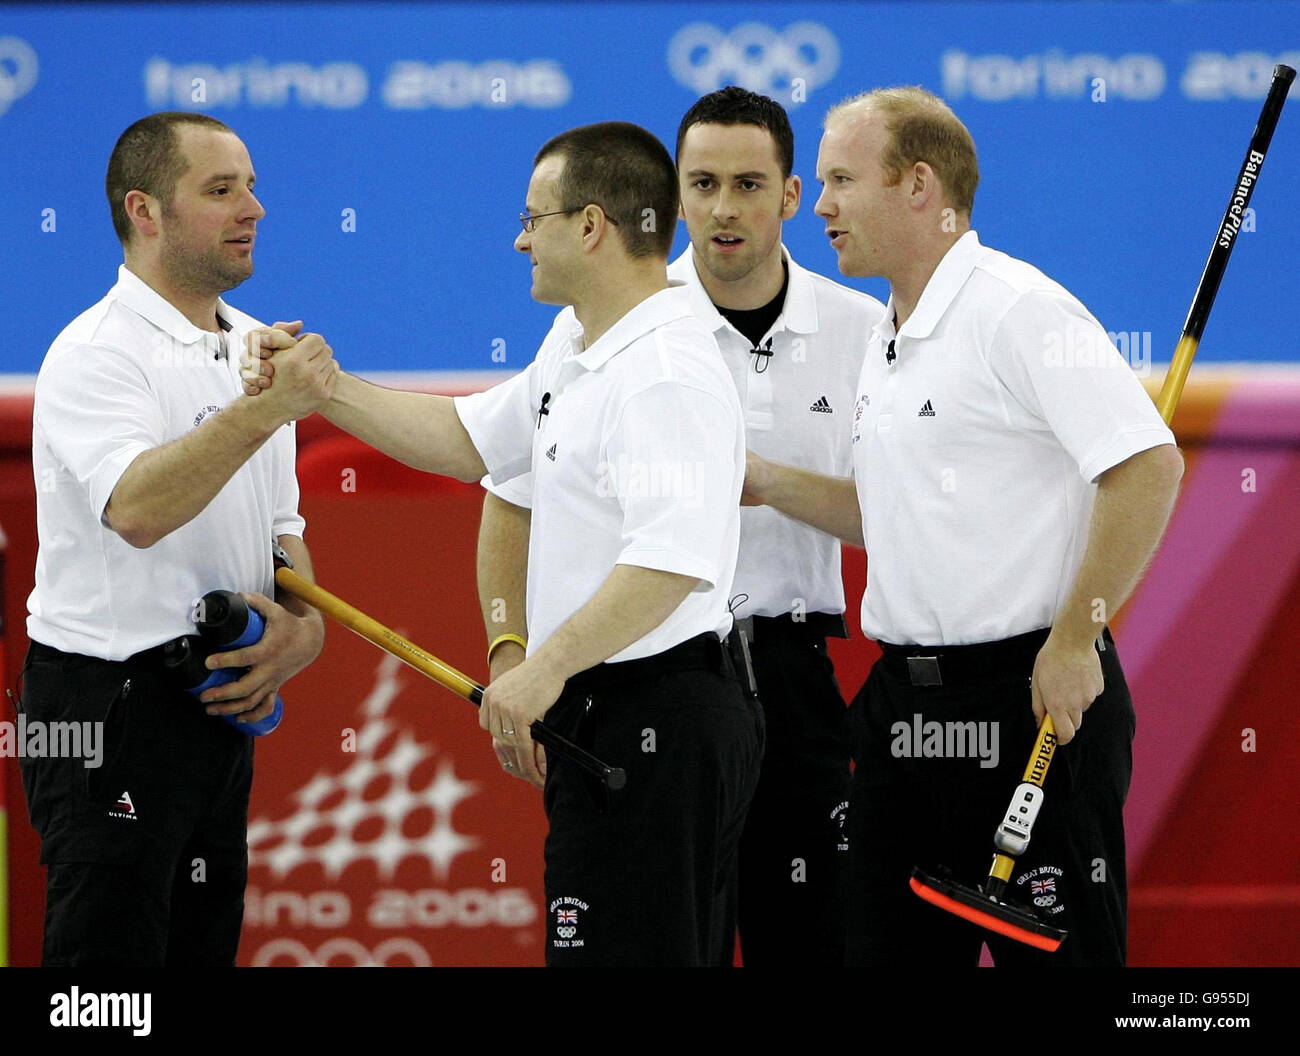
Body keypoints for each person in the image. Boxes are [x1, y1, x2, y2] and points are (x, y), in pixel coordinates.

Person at [248, 121, 763, 967]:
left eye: (535, 217)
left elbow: (671, 564)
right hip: (605, 716)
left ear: (591, 227)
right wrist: (323, 389)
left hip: (662, 724)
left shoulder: (666, 375)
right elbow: (468, 439)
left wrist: (545, 667)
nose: (520, 238)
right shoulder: (579, 340)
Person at [743, 87, 1184, 966]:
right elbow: (889, 515)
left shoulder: (1017, 310)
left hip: (1030, 701)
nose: (819, 204)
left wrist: (1075, 638)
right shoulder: (887, 335)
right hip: (904, 714)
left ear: (917, 185)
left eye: (840, 180)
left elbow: (1147, 466)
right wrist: (756, 480)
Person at [477, 87, 883, 965]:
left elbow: (894, 518)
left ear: (791, 195)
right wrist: (513, 652)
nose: (723, 209)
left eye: (747, 183)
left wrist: (764, 480)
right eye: (701, 183)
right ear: (671, 197)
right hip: (639, 684)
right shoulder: (603, 324)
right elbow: (508, 488)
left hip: (788, 674)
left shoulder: (862, 331)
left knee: (811, 941)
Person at [20, 111, 335, 966]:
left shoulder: (251, 345)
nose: (255, 208)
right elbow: (136, 509)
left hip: (215, 704)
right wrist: (265, 409)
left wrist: (303, 630)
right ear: (145, 210)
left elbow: (281, 531)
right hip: (103, 704)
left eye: (254, 186)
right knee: (106, 989)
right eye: (222, 189)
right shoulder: (96, 353)